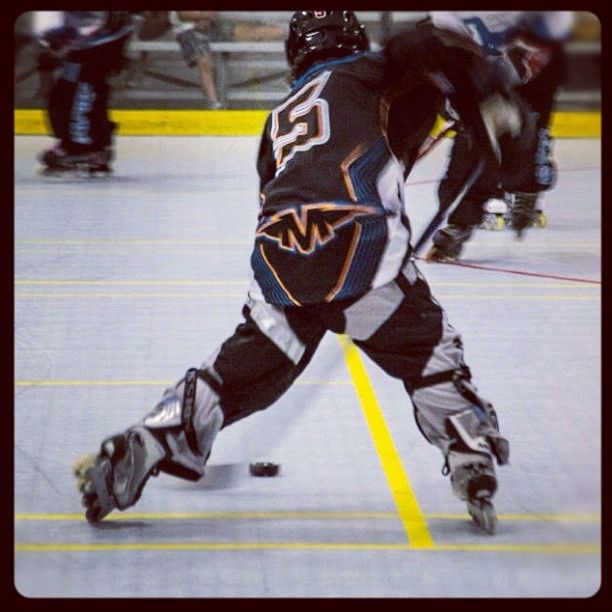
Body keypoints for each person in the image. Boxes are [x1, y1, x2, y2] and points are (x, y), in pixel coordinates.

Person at [74, 11, 527, 534]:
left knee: (239, 374)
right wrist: (492, 94)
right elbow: (427, 41)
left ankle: (153, 437)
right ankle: (470, 451)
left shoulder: (279, 118)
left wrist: (475, 101)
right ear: (353, 39)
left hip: (282, 258)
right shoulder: (374, 70)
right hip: (359, 245)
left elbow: (279, 188)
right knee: (427, 352)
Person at [423, 11, 574, 261]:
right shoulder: (447, 17)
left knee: (526, 147)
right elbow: (445, 49)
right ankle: (460, 222)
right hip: (482, 76)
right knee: (470, 150)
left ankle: (527, 185)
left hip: (528, 74)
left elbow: (551, 37)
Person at [37, 11, 134, 175]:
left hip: (97, 41)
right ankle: (84, 144)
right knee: (69, 89)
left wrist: (64, 47)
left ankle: (84, 146)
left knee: (82, 87)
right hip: (83, 39)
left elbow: (102, 22)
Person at [169, 11, 222, 109]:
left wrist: (206, 19)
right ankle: (213, 102)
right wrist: (205, 16)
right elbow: (182, 14)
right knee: (204, 62)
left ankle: (217, 101)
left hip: (208, 29)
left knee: (212, 65)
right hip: (187, 31)